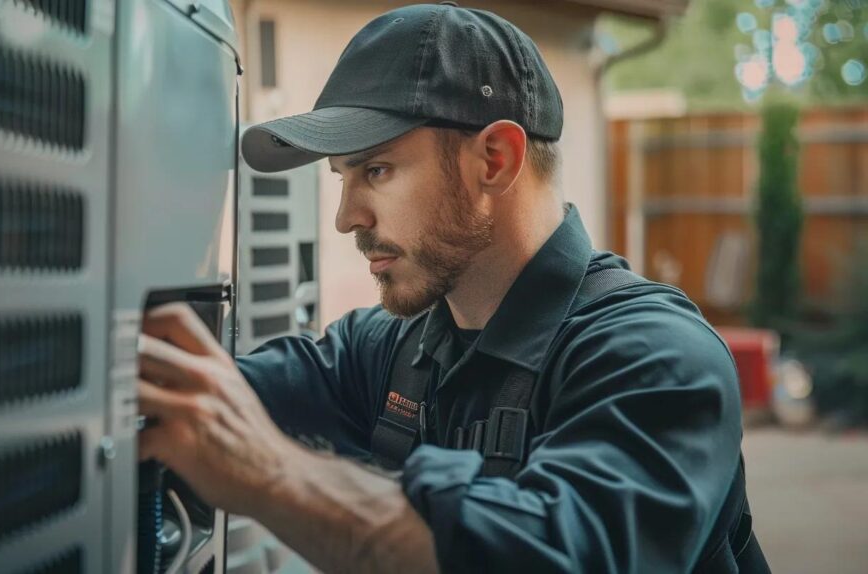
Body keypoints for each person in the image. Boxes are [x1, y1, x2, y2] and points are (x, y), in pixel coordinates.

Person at [136, 3, 769, 572]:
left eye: (376, 170)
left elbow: (558, 554)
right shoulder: (389, 351)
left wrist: (268, 475)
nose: (346, 217)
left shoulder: (658, 359)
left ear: (494, 159)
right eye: (342, 179)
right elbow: (206, 402)